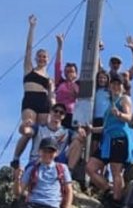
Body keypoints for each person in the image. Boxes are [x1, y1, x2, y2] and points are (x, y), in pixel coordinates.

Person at [86, 74, 133, 204]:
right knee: (90, 167)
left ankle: (116, 201)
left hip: (120, 138)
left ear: (123, 87)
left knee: (116, 171)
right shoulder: (110, 104)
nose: (115, 86)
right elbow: (106, 127)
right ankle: (109, 190)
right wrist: (91, 129)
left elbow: (129, 118)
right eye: (113, 84)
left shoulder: (124, 99)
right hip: (107, 140)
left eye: (118, 84)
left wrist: (119, 114)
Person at [15, 15, 54, 165]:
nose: (42, 59)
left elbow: (51, 95)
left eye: (44, 57)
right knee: (28, 130)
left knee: (42, 134)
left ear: (47, 59)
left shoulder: (49, 78)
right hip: (30, 100)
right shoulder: (29, 69)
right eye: (40, 56)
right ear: (36, 58)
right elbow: (28, 49)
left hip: (43, 103)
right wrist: (32, 28)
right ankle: (16, 158)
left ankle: (37, 161)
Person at [11, 103, 85, 177]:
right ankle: (17, 159)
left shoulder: (67, 132)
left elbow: (80, 139)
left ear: (64, 116)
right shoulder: (39, 128)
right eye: (56, 111)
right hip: (38, 160)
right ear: (51, 112)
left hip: (56, 161)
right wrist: (24, 125)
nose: (58, 113)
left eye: (61, 112)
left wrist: (82, 133)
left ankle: (68, 174)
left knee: (78, 142)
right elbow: (25, 131)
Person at [53, 34, 79, 128]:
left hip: (72, 115)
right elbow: (57, 65)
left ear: (76, 74)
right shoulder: (60, 82)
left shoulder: (78, 84)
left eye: (71, 71)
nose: (69, 73)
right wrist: (60, 46)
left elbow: (78, 96)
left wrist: (72, 83)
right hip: (58, 114)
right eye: (67, 71)